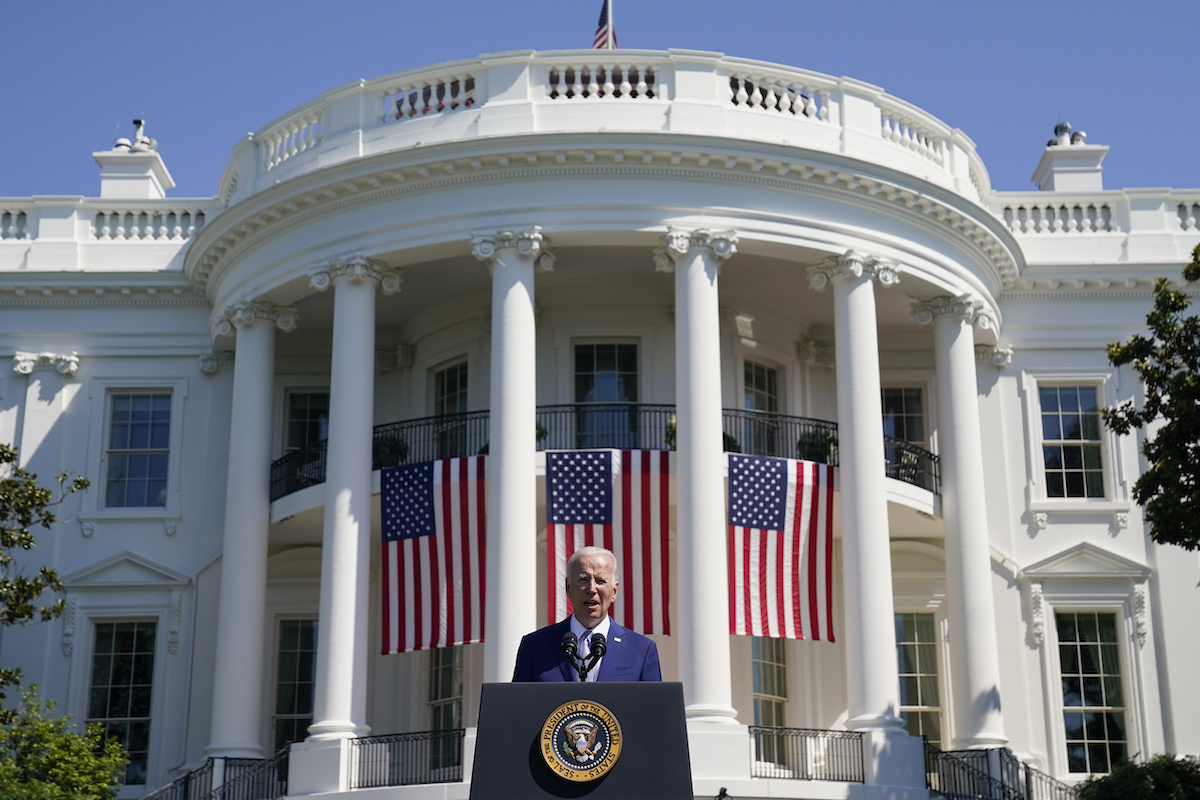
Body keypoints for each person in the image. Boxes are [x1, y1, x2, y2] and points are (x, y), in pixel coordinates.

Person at [512, 546, 661, 682]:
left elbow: (654, 708)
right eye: (583, 579)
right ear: (568, 588)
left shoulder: (641, 650)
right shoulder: (535, 646)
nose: (592, 588)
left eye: (600, 581)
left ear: (614, 591)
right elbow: (519, 707)